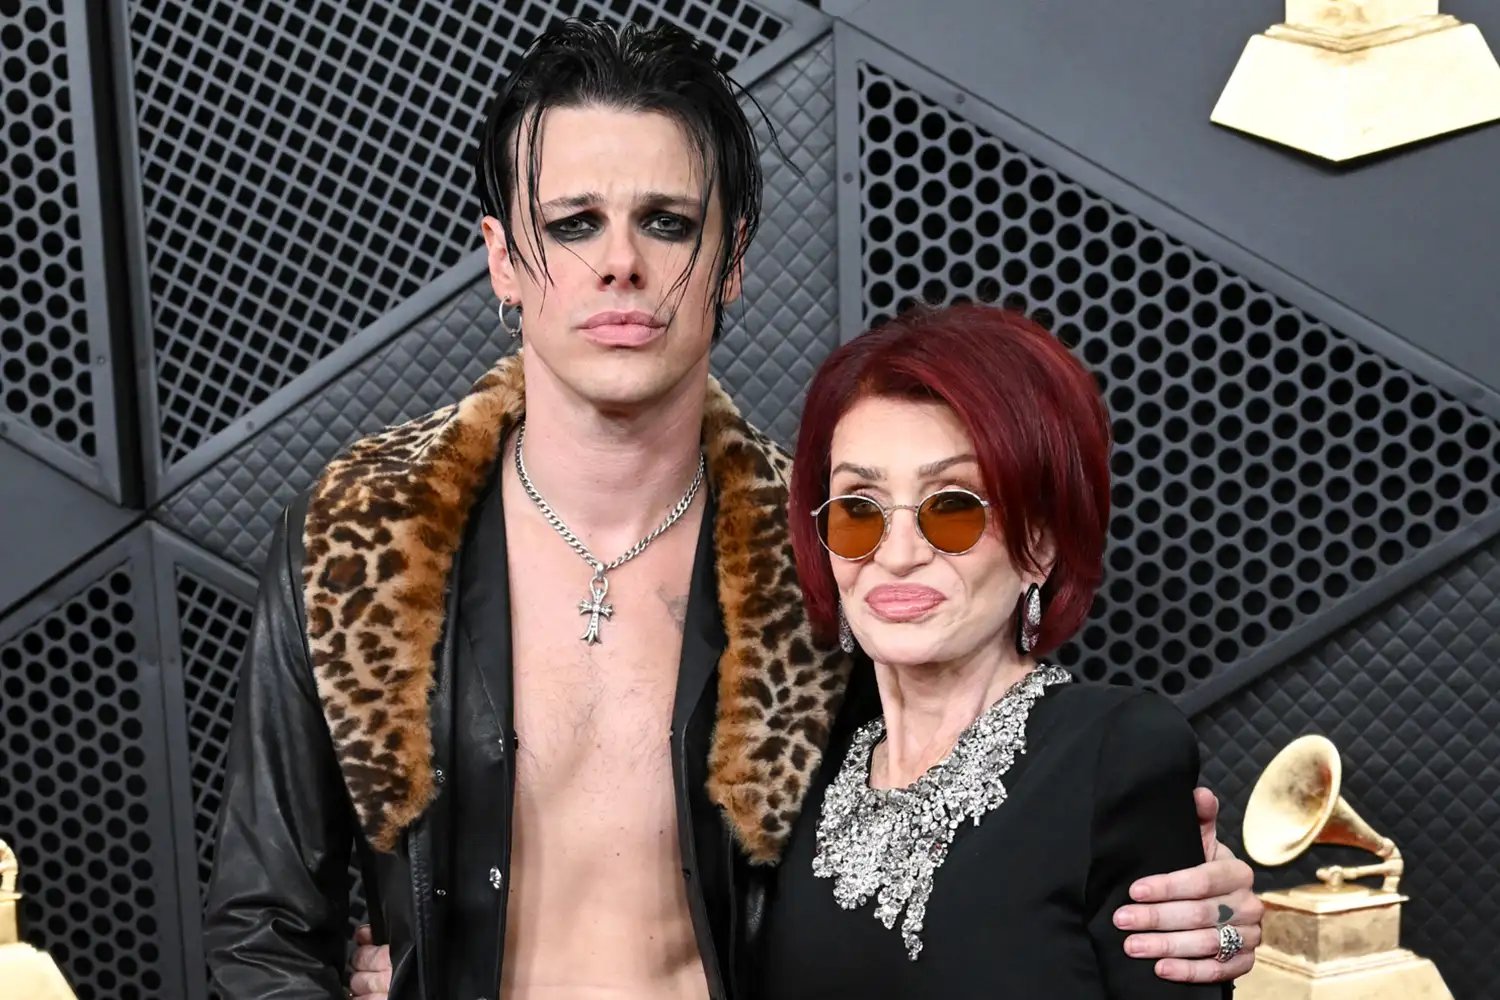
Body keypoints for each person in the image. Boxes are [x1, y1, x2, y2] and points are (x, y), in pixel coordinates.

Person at [200, 19, 1258, 1000]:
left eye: (668, 221)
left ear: (734, 261)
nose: (622, 261)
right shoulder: (361, 537)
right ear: (503, 260)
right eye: (574, 224)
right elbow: (259, 924)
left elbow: (950, 856)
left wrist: (1177, 898)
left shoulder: (827, 562)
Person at [754, 302, 1239, 998]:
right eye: (859, 509)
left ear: (1037, 544)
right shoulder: (797, 765)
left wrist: (1225, 921)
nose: (896, 556)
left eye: (952, 507)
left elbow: (1192, 956)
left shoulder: (1116, 754)